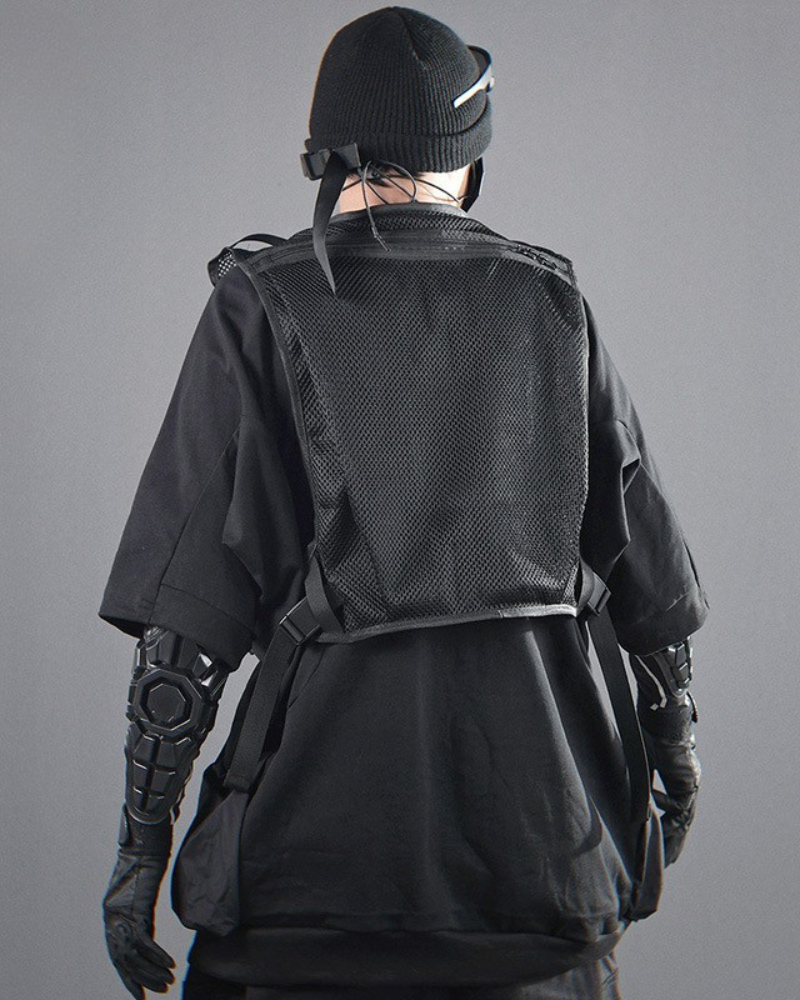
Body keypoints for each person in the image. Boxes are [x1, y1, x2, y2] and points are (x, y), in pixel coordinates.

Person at [99, 7, 708, 1000]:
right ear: (467, 158)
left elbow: (185, 628)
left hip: (304, 884)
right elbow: (652, 591)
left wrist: (140, 848)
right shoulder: (551, 303)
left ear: (325, 155)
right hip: (538, 872)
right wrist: (674, 763)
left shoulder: (260, 303)